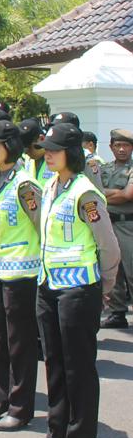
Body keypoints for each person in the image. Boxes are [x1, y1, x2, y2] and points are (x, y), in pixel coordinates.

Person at [35, 122, 120, 438]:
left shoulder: (85, 193)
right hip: (49, 287)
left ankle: (79, 436)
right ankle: (56, 431)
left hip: (79, 290)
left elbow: (108, 247)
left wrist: (104, 288)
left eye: (55, 151)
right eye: (47, 151)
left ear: (71, 154)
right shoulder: (52, 186)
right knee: (55, 363)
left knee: (78, 367)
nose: (49, 156)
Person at [0, 120, 41, 432]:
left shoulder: (25, 184)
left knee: (20, 344)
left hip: (23, 273)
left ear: (10, 147)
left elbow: (43, 226)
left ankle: (20, 407)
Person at [101, 129, 133, 329]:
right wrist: (115, 193)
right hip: (108, 223)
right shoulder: (103, 168)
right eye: (118, 145)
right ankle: (117, 312)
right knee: (113, 270)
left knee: (131, 269)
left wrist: (103, 194)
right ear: (111, 147)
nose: (121, 149)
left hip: (127, 225)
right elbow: (93, 191)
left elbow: (128, 195)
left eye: (126, 145)